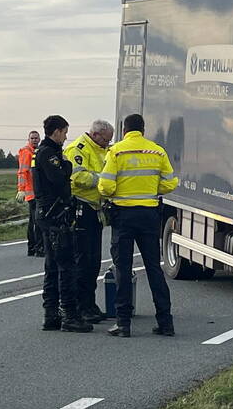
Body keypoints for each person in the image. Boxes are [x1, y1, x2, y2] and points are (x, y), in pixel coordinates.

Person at [98, 113, 178, 338]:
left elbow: (105, 186)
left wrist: (117, 192)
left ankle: (123, 324)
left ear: (125, 130)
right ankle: (165, 322)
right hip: (150, 215)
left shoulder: (116, 151)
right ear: (143, 129)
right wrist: (153, 191)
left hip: (123, 216)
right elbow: (171, 182)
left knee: (122, 268)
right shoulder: (157, 151)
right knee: (154, 268)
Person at [32, 115, 92, 333]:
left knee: (52, 266)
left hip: (48, 214)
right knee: (65, 266)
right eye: (65, 132)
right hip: (54, 214)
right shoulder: (49, 153)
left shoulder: (45, 152)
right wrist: (66, 165)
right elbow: (59, 177)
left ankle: (51, 314)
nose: (66, 137)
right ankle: (69, 315)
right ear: (56, 131)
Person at [66, 119, 114, 324]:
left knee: (94, 261)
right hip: (81, 207)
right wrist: (103, 180)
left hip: (95, 209)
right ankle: (80, 306)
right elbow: (78, 177)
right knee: (83, 261)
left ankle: (90, 303)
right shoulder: (79, 149)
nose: (107, 143)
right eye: (105, 139)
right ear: (96, 135)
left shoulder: (101, 150)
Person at [17, 130, 43, 256]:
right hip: (31, 193)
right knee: (37, 222)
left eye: (36, 138)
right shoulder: (26, 152)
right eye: (32, 138)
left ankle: (33, 248)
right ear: (29, 139)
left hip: (36, 191)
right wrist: (21, 189)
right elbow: (22, 172)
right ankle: (37, 247)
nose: (34, 140)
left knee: (34, 221)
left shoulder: (35, 152)